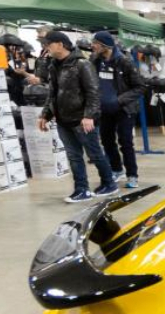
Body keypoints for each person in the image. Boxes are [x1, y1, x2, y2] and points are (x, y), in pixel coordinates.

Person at [37, 30, 117, 203]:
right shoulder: (53, 66)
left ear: (60, 44)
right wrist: (45, 114)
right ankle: (82, 189)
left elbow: (94, 93)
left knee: (95, 154)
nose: (46, 47)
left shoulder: (82, 64)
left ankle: (109, 183)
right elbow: (53, 93)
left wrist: (89, 115)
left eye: (48, 44)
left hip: (83, 120)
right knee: (74, 156)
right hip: (63, 120)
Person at [91, 31, 145, 189]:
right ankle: (116, 169)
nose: (92, 46)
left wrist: (119, 100)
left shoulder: (124, 62)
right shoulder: (94, 60)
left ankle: (132, 175)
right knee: (107, 141)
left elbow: (140, 87)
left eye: (95, 43)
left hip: (124, 110)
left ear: (105, 45)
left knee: (126, 143)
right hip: (104, 110)